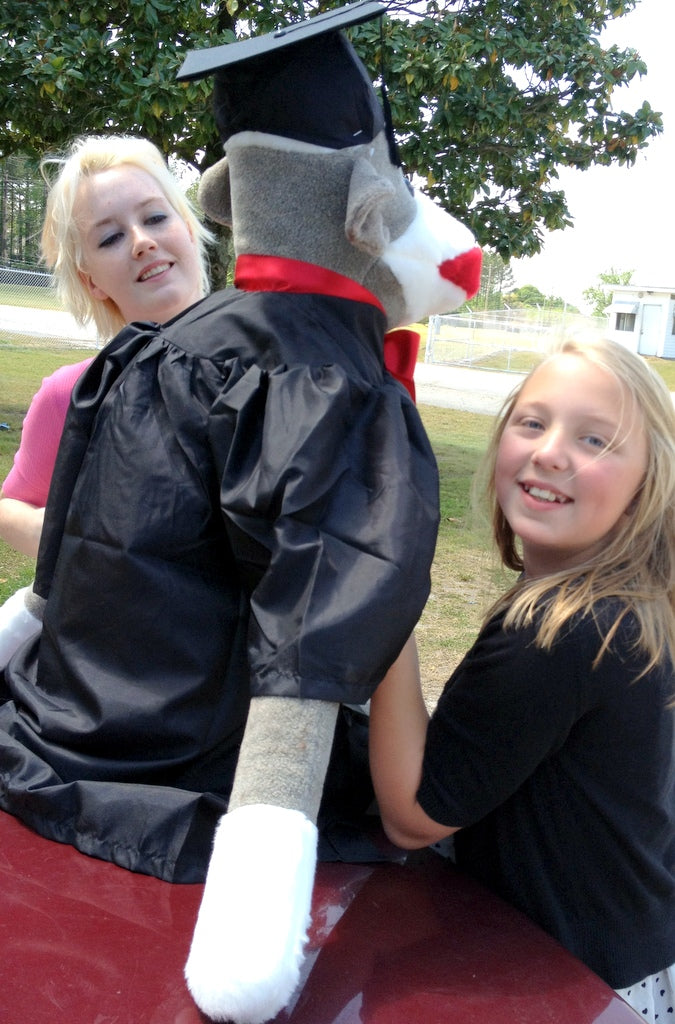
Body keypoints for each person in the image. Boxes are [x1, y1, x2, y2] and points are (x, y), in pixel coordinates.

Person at [369, 336, 675, 1023]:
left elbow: (414, 815)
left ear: (643, 487)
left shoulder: (559, 630)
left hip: (563, 984)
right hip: (628, 964)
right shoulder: (626, 608)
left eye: (596, 440)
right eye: (531, 422)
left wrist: (383, 614)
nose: (550, 451)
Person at [0, 134, 212, 559]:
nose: (141, 241)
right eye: (110, 238)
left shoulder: (276, 368)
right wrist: (85, 533)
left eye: (154, 218)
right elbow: (11, 508)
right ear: (90, 280)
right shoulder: (72, 394)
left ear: (187, 228)